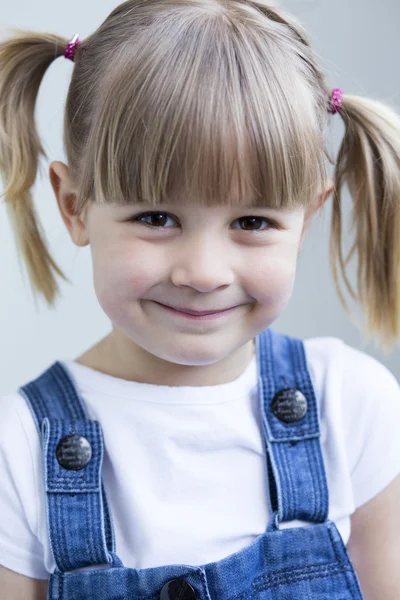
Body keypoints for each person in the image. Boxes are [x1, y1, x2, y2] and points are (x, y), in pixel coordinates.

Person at [0, 1, 399, 598]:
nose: (204, 272)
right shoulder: (18, 450)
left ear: (308, 217)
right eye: (157, 217)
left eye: (252, 221)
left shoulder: (354, 408)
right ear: (74, 205)